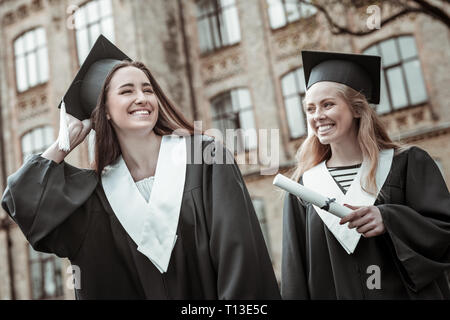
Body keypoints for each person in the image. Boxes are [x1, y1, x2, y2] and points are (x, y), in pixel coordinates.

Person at [1, 35, 281, 300]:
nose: (142, 98)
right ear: (105, 111)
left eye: (148, 90)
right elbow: (20, 199)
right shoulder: (95, 196)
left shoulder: (206, 159)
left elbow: (242, 260)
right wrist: (64, 144)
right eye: (127, 91)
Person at [281, 50, 450, 299]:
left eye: (328, 104)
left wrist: (390, 219)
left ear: (357, 109)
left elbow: (444, 232)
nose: (318, 116)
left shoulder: (406, 163)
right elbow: (295, 271)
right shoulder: (303, 187)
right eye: (310, 108)